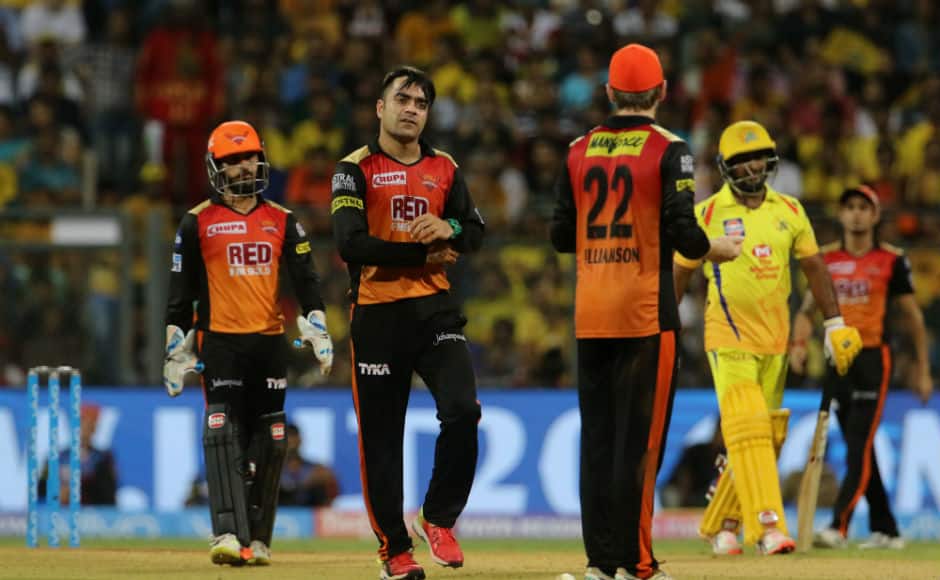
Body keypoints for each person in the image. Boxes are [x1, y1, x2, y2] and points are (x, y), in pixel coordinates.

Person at [551, 43, 743, 580]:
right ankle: (637, 563)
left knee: (598, 442)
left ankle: (599, 563)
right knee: (641, 444)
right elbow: (684, 228)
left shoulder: (576, 148)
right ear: (660, 92)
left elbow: (561, 235)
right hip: (644, 313)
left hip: (590, 313)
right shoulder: (670, 148)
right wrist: (713, 249)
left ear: (610, 92)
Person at [673, 120, 863, 556]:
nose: (752, 166)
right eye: (741, 160)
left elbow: (815, 268)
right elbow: (680, 273)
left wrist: (833, 324)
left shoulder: (790, 211)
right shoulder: (705, 216)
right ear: (725, 167)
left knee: (764, 434)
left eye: (757, 157)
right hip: (728, 338)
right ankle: (769, 527)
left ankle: (722, 524)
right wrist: (667, 326)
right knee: (749, 428)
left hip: (775, 343)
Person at [330, 66, 484, 580]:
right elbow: (350, 244)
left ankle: (437, 517)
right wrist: (424, 251)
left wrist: (452, 225)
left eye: (421, 102)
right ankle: (394, 552)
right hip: (376, 313)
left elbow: (476, 230)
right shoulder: (353, 170)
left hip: (435, 310)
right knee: (381, 438)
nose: (412, 108)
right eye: (403, 98)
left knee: (463, 410)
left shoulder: (445, 167)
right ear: (380, 107)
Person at [163, 120, 334, 566]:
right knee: (222, 431)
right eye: (232, 160)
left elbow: (306, 281)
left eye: (249, 156)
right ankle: (226, 534)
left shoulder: (283, 219)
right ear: (215, 167)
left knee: (273, 438)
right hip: (220, 343)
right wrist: (176, 349)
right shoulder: (197, 222)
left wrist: (316, 328)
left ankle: (258, 541)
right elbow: (180, 292)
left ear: (262, 159)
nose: (243, 166)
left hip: (269, 342)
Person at [790, 185, 933, 550]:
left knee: (858, 442)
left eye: (862, 207)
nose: (855, 213)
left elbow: (912, 317)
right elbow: (807, 309)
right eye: (849, 207)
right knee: (862, 448)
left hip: (872, 358)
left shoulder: (891, 259)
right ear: (840, 215)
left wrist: (922, 369)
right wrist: (798, 344)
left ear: (874, 216)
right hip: (837, 362)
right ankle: (887, 528)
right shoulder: (824, 258)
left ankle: (839, 525)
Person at [279, 423, 340, 507]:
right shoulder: (274, 470)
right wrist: (304, 484)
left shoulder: (315, 469)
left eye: (293, 436)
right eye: (287, 438)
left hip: (309, 513)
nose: (291, 442)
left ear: (299, 440)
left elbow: (332, 487)